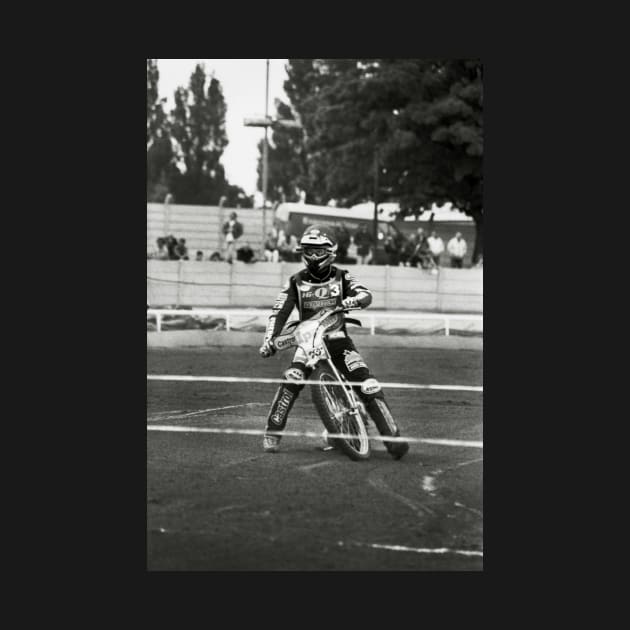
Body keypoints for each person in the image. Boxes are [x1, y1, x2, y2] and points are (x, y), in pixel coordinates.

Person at [258, 225, 409, 460]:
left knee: (367, 383)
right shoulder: (295, 282)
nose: (314, 256)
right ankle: (272, 432)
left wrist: (350, 302)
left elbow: (365, 294)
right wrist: (269, 340)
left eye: (319, 251)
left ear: (331, 251)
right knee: (292, 378)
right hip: (307, 342)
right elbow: (278, 312)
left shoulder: (342, 276)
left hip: (338, 340)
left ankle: (392, 437)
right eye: (309, 251)